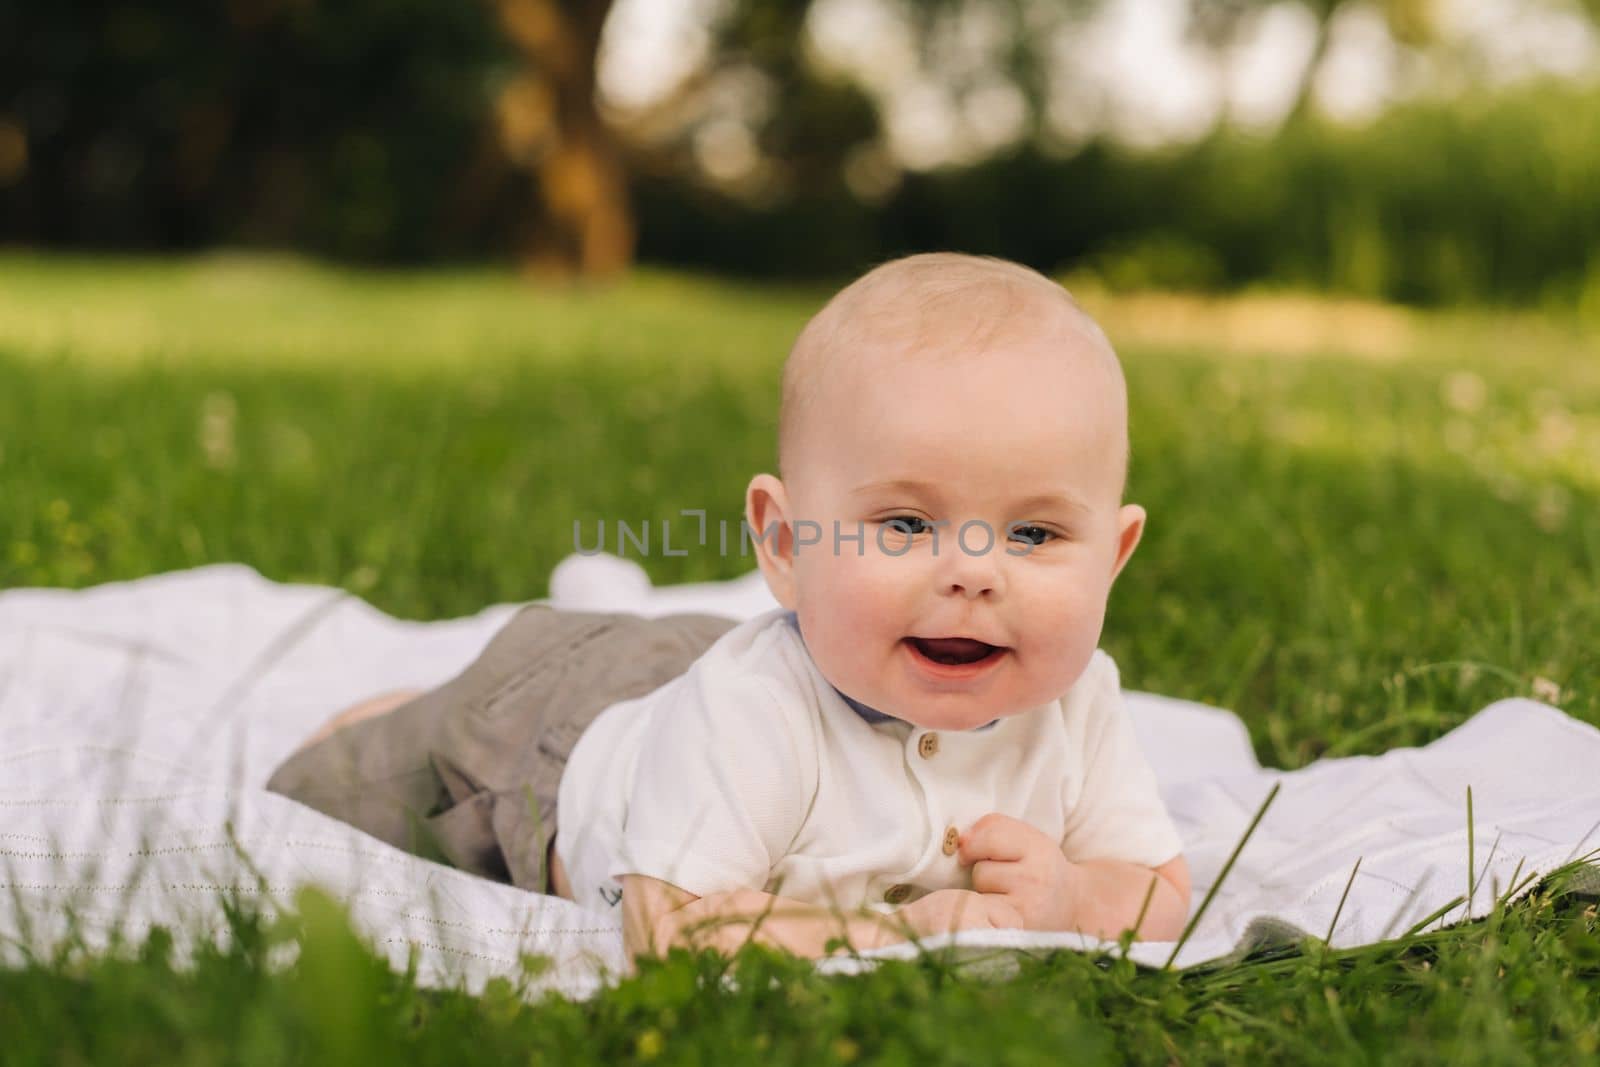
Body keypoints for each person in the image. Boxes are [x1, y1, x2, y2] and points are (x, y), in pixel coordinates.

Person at [267, 252, 1191, 963]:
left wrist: (1074, 899)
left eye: (1034, 536)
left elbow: (1160, 888)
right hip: (545, 738)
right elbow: (671, 930)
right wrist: (907, 935)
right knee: (326, 790)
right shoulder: (753, 712)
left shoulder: (1078, 700)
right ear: (785, 546)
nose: (975, 574)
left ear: (1114, 558)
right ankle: (388, 710)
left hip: (691, 678)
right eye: (907, 522)